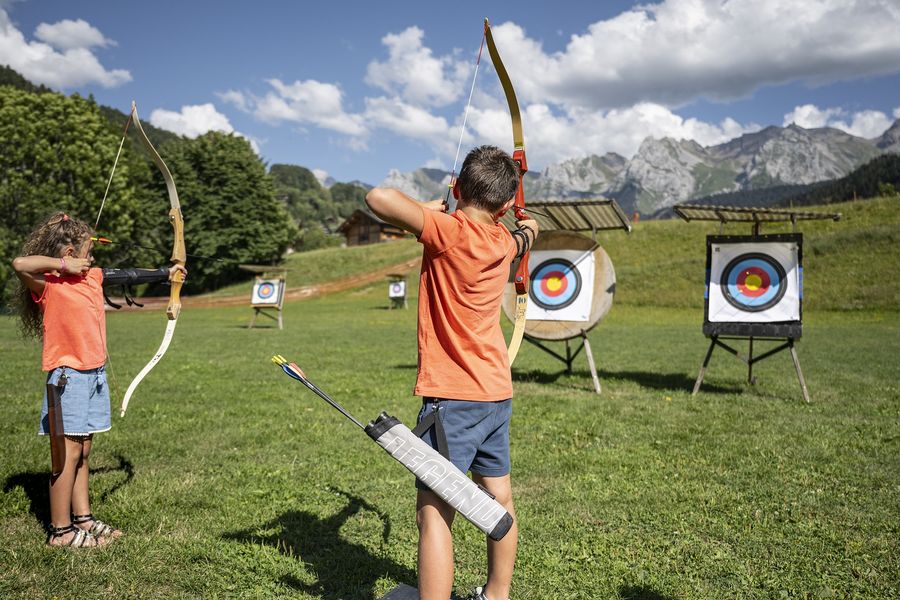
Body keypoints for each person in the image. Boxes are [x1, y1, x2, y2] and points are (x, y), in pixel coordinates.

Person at [365, 145, 538, 600]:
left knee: (435, 513)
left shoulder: (448, 229)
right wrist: (526, 226)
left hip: (453, 400)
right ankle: (497, 595)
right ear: (506, 205)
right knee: (499, 498)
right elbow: (526, 235)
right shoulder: (504, 241)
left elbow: (378, 198)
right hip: (496, 393)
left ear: (458, 187)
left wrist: (432, 208)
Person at [11, 212, 186, 548]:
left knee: (84, 451)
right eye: (87, 252)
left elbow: (129, 275)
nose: (91, 258)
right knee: (66, 456)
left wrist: (169, 273)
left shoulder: (94, 277)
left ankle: (83, 519)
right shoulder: (49, 284)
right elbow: (20, 264)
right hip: (68, 378)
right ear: (69, 253)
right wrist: (64, 266)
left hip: (94, 376)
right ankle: (61, 532)